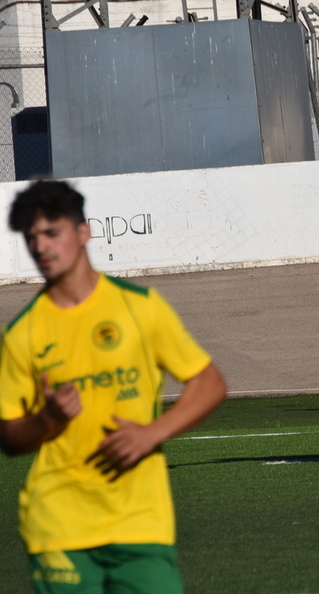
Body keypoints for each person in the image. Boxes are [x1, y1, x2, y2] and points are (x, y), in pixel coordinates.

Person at [0, 180, 228, 594]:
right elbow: (10, 435)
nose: (41, 247)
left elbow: (208, 382)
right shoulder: (21, 334)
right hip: (59, 522)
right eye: (32, 238)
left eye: (52, 232)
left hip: (141, 520)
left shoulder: (139, 307)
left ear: (83, 232)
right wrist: (49, 418)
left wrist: (152, 433)